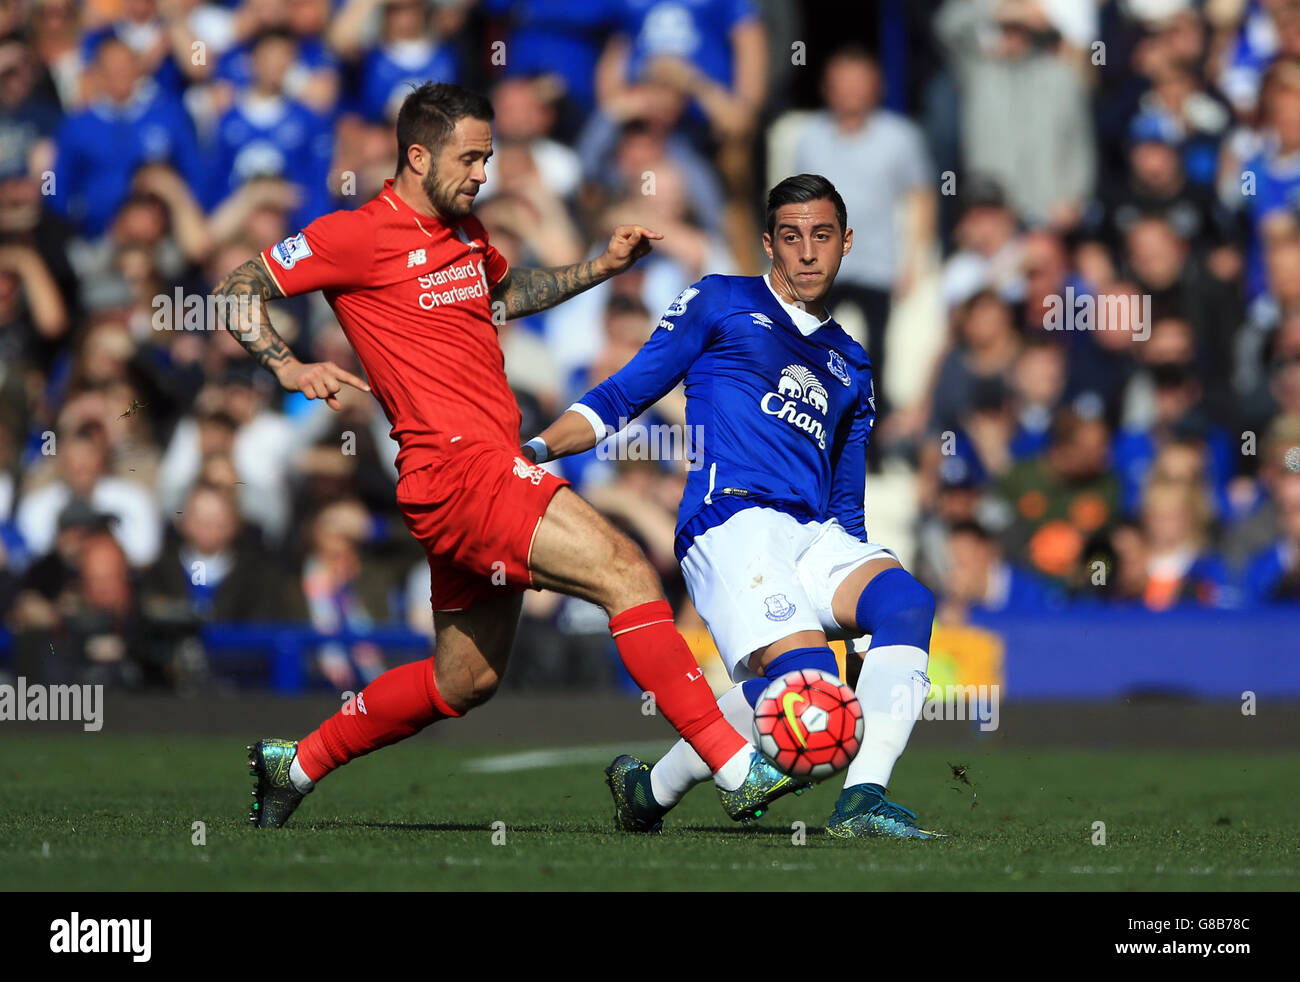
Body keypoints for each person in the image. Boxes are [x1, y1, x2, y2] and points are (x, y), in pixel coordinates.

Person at [214, 82, 780, 830]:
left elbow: (510, 295)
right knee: (627, 570)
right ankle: (735, 765)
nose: (482, 172)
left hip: (470, 472)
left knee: (465, 680)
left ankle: (296, 764)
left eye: (488, 156)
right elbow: (234, 289)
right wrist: (287, 366)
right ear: (417, 155)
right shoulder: (355, 234)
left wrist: (600, 267)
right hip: (458, 470)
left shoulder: (466, 232)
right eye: (470, 157)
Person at [524, 174, 945, 839]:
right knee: (810, 710)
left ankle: (861, 801)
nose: (808, 252)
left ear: (847, 243)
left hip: (815, 532)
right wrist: (535, 448)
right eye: (791, 236)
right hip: (732, 521)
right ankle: (657, 784)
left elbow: (846, 499)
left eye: (823, 236)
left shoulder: (851, 363)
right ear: (769, 243)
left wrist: (865, 632)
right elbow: (624, 394)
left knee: (907, 604)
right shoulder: (720, 299)